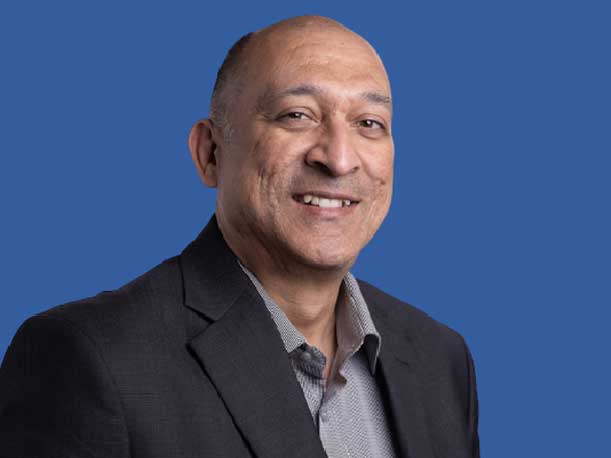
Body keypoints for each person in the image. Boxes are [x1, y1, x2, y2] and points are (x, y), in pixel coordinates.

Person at [0, 15, 479, 458]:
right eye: (296, 115)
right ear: (210, 153)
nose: (338, 158)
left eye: (369, 124)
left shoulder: (441, 360)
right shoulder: (91, 358)